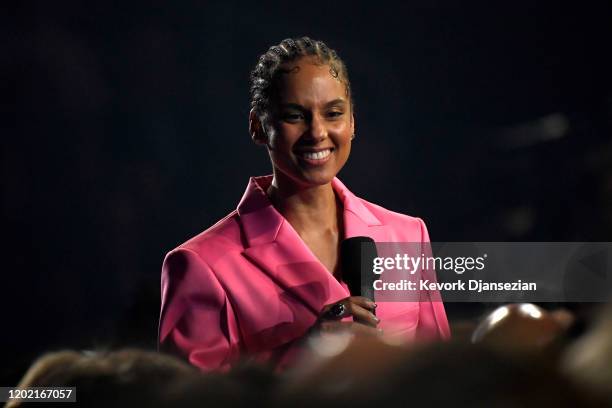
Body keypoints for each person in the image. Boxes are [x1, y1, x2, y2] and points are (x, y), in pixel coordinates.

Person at [158, 37, 450, 372]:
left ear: (352, 121)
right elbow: (185, 398)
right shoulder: (201, 265)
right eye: (295, 116)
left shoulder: (407, 235)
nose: (317, 132)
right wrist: (303, 354)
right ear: (258, 126)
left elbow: (439, 376)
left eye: (333, 113)